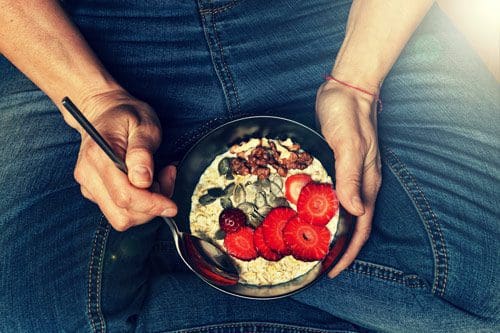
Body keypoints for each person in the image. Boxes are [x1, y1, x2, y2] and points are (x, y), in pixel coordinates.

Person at [0, 0, 498, 332]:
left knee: (485, 284)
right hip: (85, 35)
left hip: (331, 22)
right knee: (26, 315)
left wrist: (357, 82)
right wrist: (94, 96)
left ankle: (170, 268)